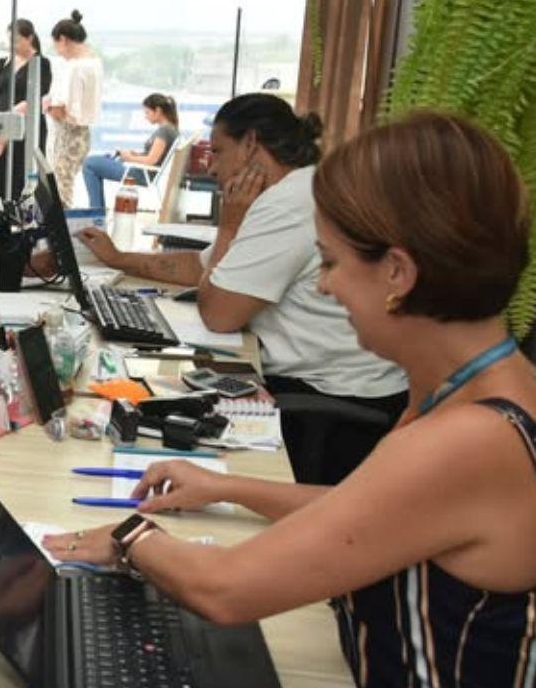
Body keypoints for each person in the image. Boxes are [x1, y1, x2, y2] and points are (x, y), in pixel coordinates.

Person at [43, 111, 536, 688]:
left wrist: (132, 538)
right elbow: (375, 515)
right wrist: (231, 487)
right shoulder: (470, 388)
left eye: (330, 263)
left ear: (398, 272)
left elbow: (225, 590)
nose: (326, 285)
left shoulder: (471, 438)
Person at [78, 93, 406, 478]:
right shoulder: (298, 189)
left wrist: (231, 224)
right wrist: (120, 258)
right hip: (348, 390)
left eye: (217, 151)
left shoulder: (287, 204)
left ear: (251, 143)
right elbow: (201, 267)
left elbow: (219, 314)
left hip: (333, 405)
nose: (212, 167)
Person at [41, 10, 102, 207]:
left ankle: (61, 234)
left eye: (57, 45)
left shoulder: (75, 68)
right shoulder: (95, 64)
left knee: (60, 192)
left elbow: (66, 111)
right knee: (65, 187)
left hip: (66, 135)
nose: (58, 51)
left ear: (63, 40)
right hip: (83, 136)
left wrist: (47, 106)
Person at [80, 92, 181, 212]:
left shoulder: (164, 132)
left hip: (138, 174)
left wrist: (129, 157)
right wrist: (134, 154)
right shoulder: (170, 130)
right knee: (97, 161)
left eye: (147, 112)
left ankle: (96, 212)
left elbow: (151, 160)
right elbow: (151, 157)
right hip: (139, 171)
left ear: (158, 111)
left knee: (89, 164)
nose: (146, 116)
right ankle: (97, 211)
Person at [0, 19, 53, 203]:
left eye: (16, 41)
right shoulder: (3, 62)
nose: (12, 45)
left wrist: (9, 116)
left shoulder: (41, 63)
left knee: (22, 175)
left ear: (30, 39)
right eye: (9, 41)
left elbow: (34, 98)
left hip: (27, 128)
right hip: (1, 126)